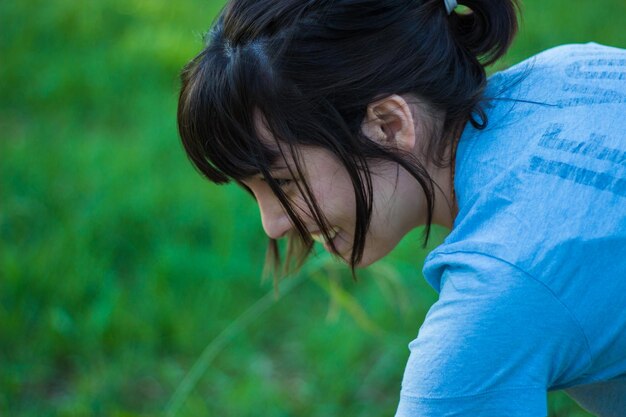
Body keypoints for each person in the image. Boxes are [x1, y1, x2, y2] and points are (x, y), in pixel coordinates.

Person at [176, 0, 626, 415]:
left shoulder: (492, 304)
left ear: (389, 124)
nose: (272, 225)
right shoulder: (573, 67)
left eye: (284, 183)